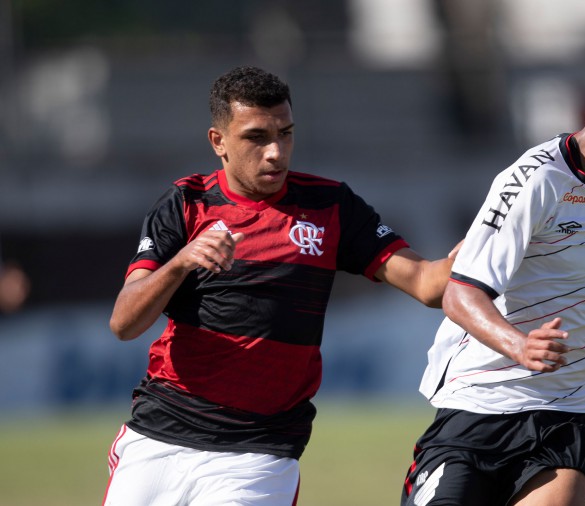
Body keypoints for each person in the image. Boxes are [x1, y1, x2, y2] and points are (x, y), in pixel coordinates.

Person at [103, 66, 457, 505]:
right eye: (256, 137)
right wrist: (180, 261)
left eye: (285, 133)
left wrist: (483, 249)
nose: (275, 152)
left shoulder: (330, 206)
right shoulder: (186, 203)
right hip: (159, 435)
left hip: (258, 453)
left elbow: (427, 283)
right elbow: (124, 322)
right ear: (219, 142)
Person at [401, 40, 585, 506]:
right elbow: (459, 295)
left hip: (568, 415)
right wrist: (520, 345)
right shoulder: (537, 179)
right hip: (480, 404)